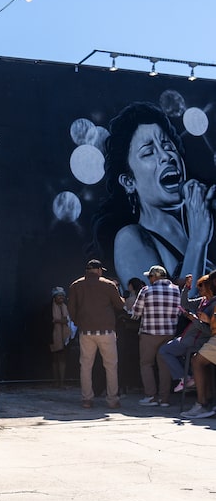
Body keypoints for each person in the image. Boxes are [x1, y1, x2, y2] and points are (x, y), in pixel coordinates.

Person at [92, 102, 216, 288]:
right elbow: (167, 311)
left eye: (167, 145)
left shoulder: (196, 226)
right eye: (149, 152)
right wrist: (198, 242)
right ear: (129, 182)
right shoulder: (130, 239)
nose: (166, 156)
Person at [67, 259, 126, 409]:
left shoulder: (76, 285)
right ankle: (112, 400)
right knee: (111, 366)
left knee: (86, 366)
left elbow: (71, 309)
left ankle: (87, 399)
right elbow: (120, 305)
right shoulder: (108, 285)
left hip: (86, 331)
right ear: (99, 270)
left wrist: (78, 322)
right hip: (106, 330)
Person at [130, 265, 180, 407]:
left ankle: (150, 396)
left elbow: (136, 312)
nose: (149, 279)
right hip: (169, 333)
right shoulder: (176, 290)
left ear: (154, 277)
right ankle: (164, 399)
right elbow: (180, 311)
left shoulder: (147, 290)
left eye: (149, 277)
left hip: (149, 333)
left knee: (146, 364)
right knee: (164, 366)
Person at [159, 273, 214, 392]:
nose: (198, 289)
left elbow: (209, 330)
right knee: (169, 351)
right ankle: (187, 377)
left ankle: (186, 378)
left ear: (209, 288)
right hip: (189, 337)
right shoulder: (202, 301)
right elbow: (185, 304)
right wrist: (186, 288)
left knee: (165, 350)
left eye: (201, 287)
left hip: (196, 340)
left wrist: (194, 320)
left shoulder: (212, 305)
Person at [48, 286, 72, 387]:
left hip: (65, 337)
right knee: (55, 359)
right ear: (54, 297)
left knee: (63, 359)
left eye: (62, 296)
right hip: (53, 337)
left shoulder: (66, 307)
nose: (61, 298)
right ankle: (56, 381)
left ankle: (62, 381)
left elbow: (69, 320)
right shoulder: (49, 308)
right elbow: (47, 320)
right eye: (59, 296)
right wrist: (58, 321)